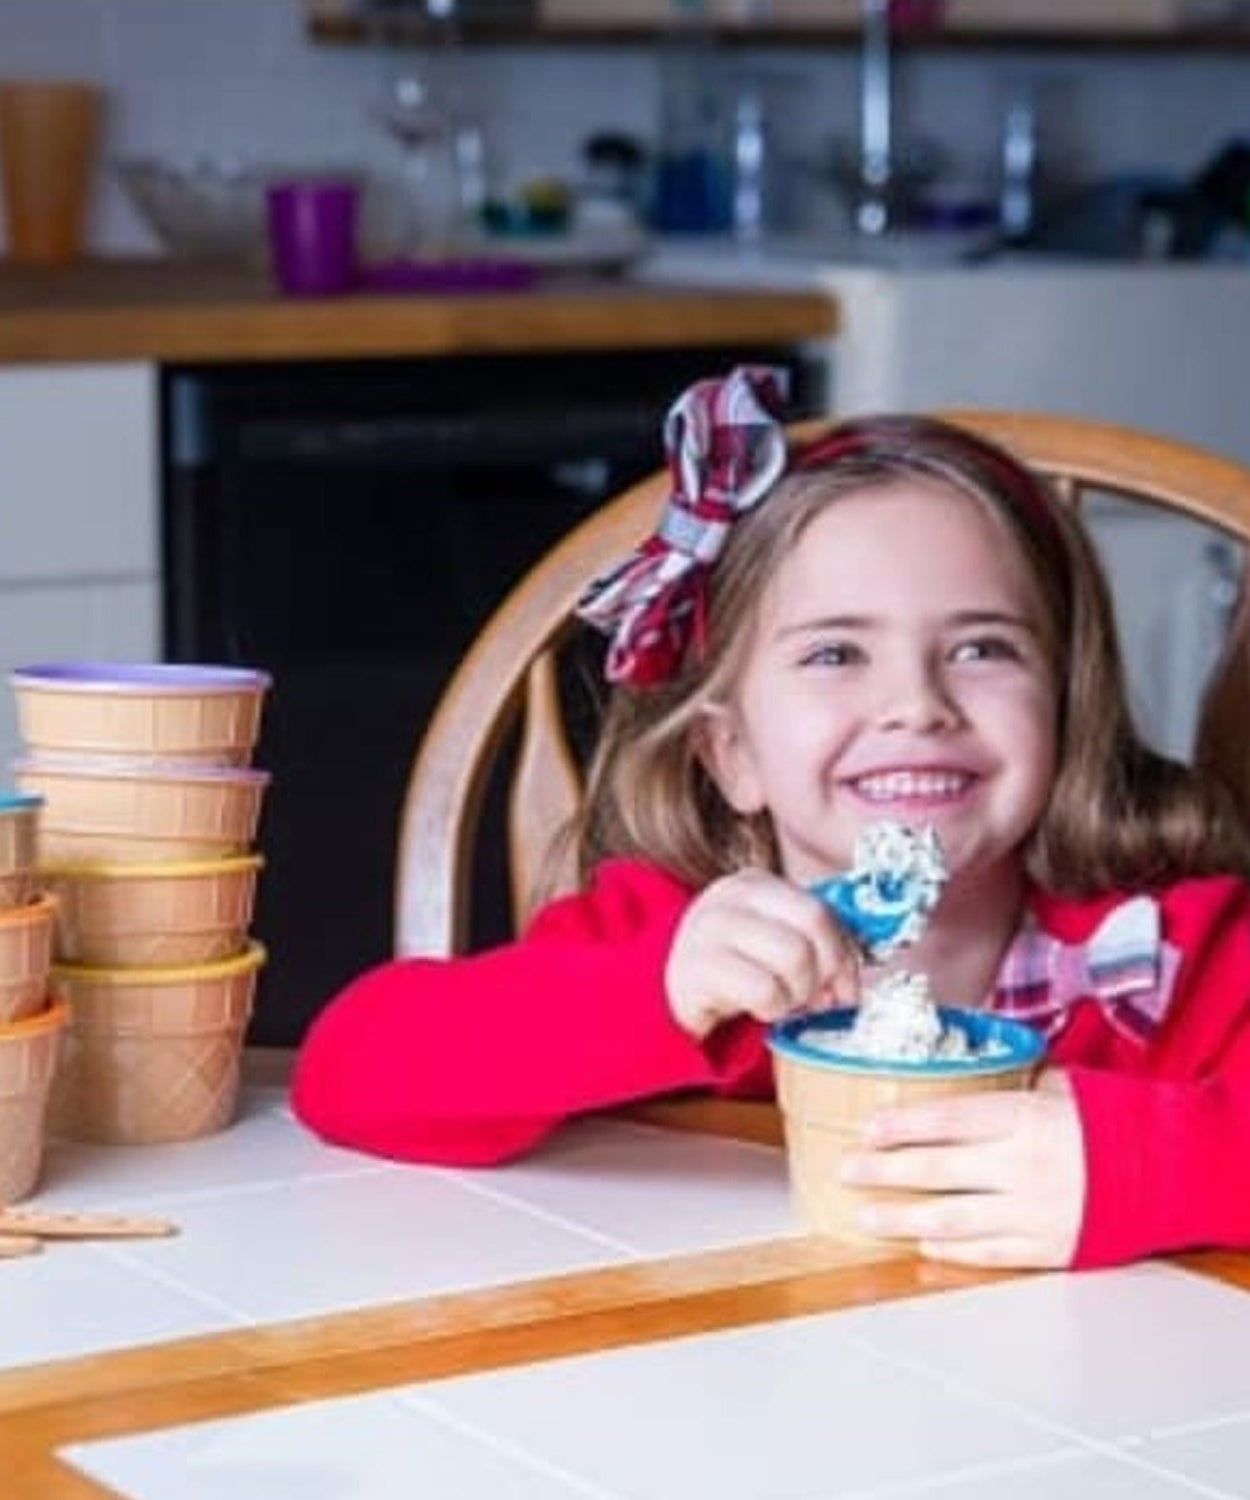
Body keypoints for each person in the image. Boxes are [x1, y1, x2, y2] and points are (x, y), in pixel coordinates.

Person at [292, 364, 1250, 1273]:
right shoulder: (666, 939)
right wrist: (651, 996)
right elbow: (347, 1071)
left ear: (1066, 709)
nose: (916, 704)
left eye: (982, 648)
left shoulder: (1179, 955)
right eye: (836, 655)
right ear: (731, 753)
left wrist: (1151, 1168)